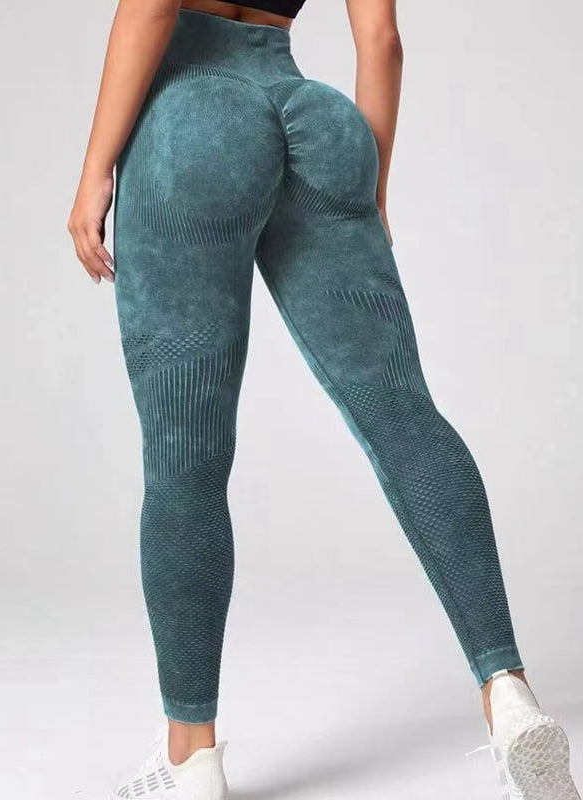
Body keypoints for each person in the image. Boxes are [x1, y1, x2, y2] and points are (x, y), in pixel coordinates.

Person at [67, 1, 580, 798]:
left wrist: (96, 167)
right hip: (314, 118)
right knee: (403, 414)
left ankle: (191, 758)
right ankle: (507, 694)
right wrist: (371, 183)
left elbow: (155, 5)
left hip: (191, 123)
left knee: (184, 458)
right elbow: (382, 40)